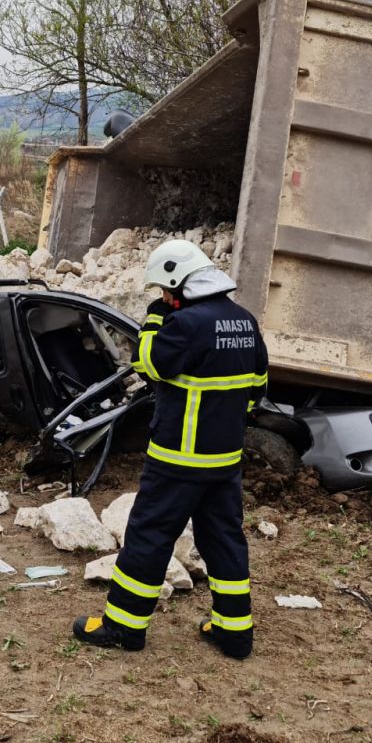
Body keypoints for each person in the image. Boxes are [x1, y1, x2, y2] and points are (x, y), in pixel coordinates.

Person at [73, 239, 268, 659]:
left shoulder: (185, 325)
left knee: (149, 537)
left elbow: (148, 364)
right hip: (225, 461)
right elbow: (256, 393)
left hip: (178, 459)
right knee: (224, 541)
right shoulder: (245, 322)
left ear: (179, 284)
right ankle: (235, 633)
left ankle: (123, 628)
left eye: (164, 291)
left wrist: (155, 319)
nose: (162, 298)